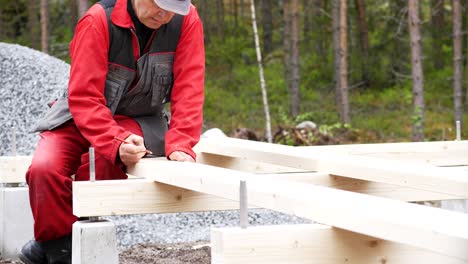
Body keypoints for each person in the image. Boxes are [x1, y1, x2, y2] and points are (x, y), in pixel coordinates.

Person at [19, 0, 204, 262]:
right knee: (44, 169)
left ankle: (53, 252)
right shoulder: (98, 21)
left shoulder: (187, 21)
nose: (164, 14)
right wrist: (114, 141)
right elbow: (84, 96)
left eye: (173, 7)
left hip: (137, 118)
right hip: (79, 112)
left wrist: (181, 144)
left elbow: (190, 87)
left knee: (101, 166)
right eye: (159, 4)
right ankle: (56, 247)